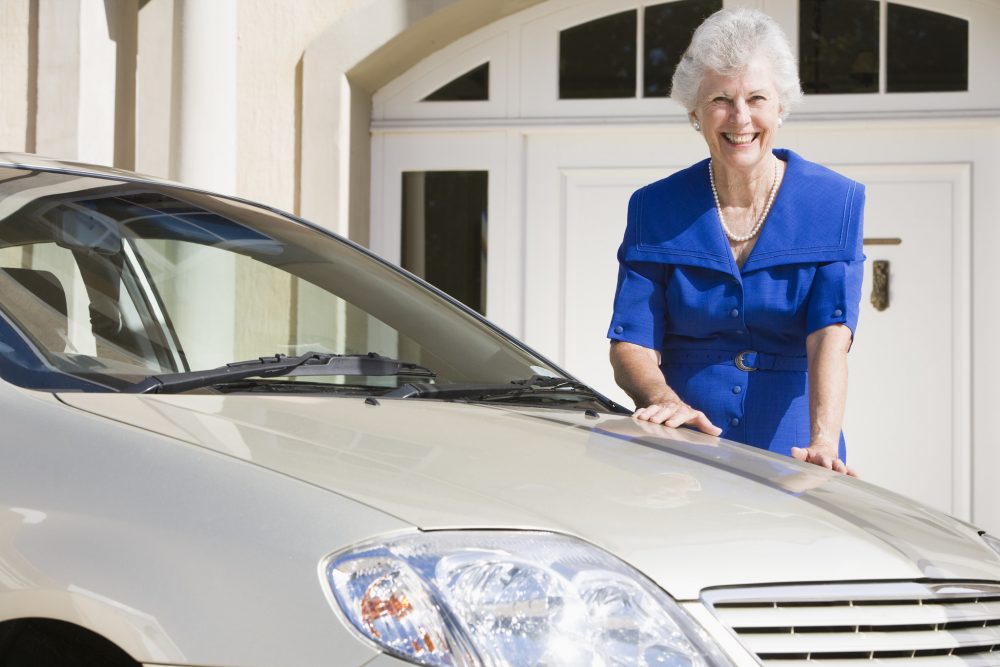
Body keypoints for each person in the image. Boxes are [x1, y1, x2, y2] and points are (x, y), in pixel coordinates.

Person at [607, 7, 864, 476]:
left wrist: (823, 440)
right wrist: (663, 400)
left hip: (793, 443)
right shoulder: (654, 206)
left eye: (757, 98)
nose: (740, 117)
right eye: (720, 99)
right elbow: (631, 343)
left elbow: (831, 333)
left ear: (781, 106)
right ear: (694, 112)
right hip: (682, 439)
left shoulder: (835, 201)